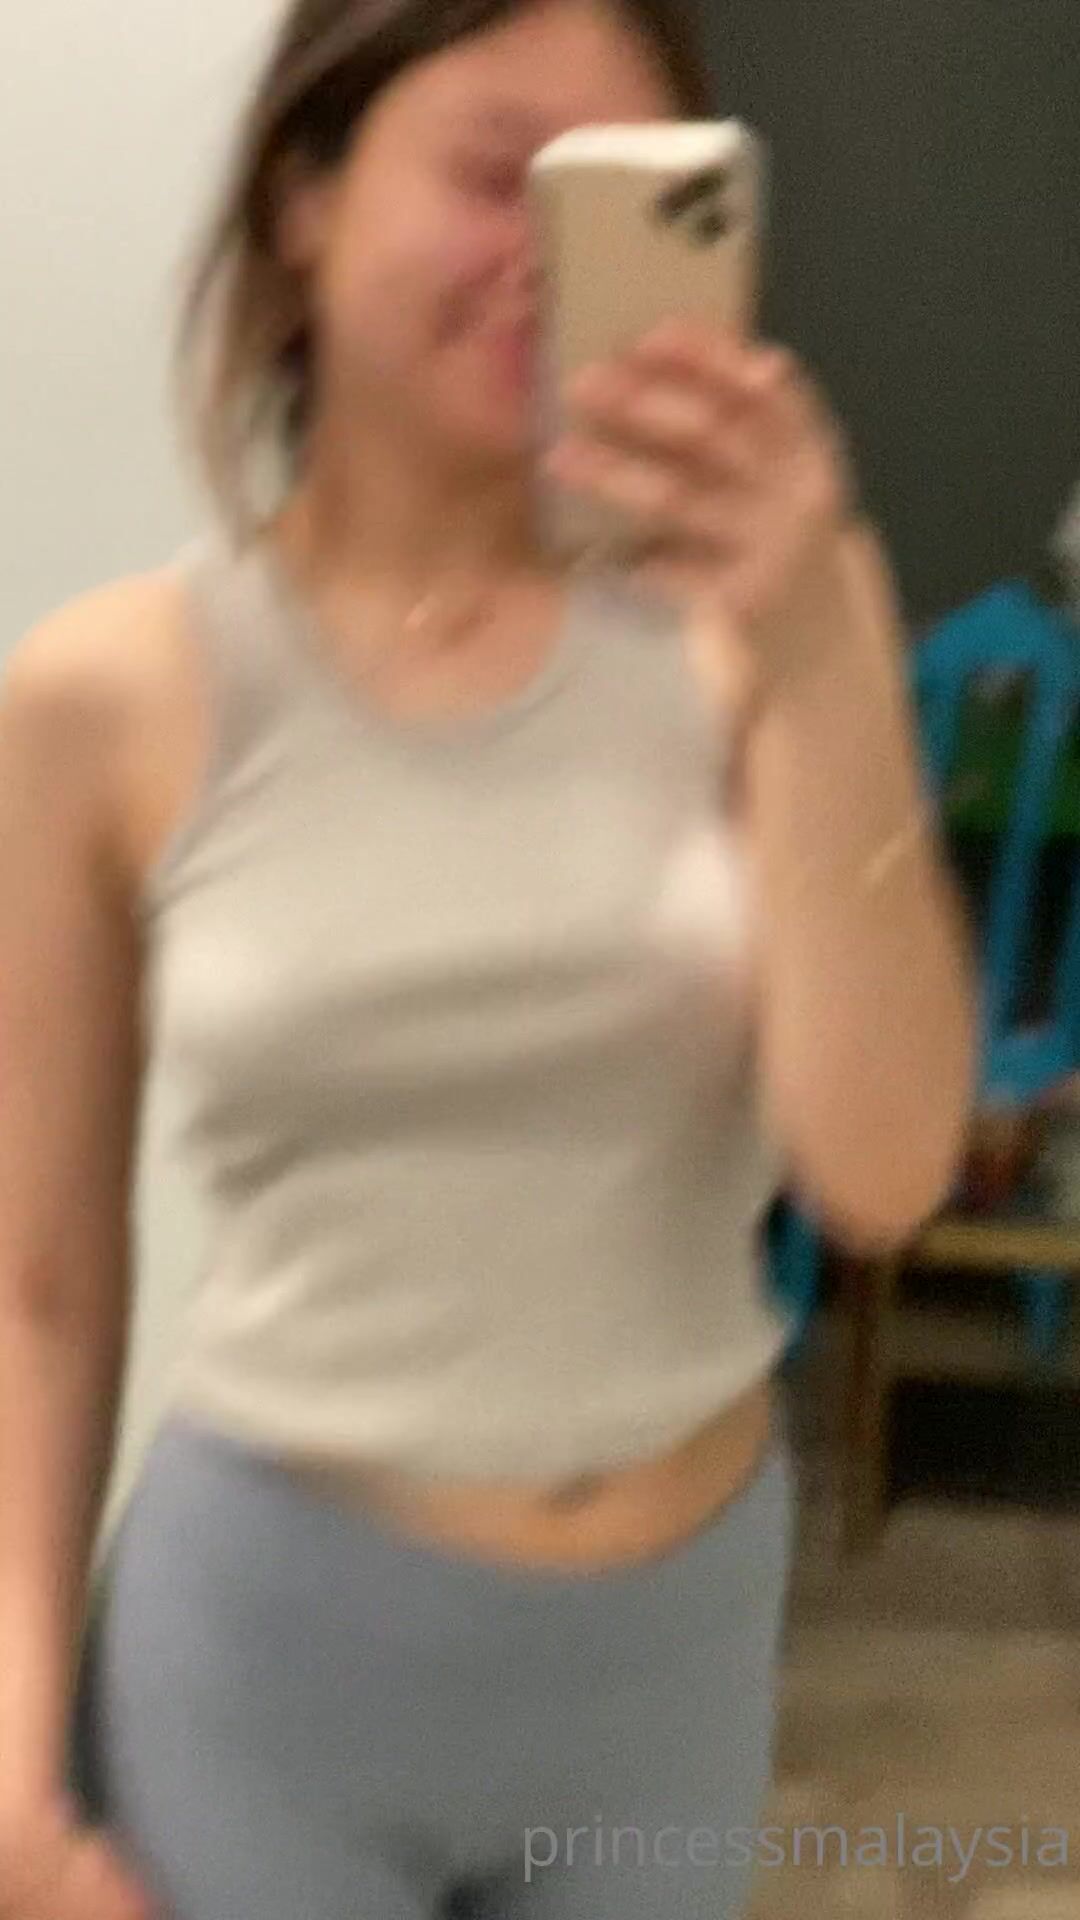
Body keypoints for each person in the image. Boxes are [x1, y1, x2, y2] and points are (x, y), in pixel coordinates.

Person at [0, 0, 976, 1914]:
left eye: (625, 193)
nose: (547, 252)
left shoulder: (771, 618)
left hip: (669, 1657)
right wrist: (9, 1761)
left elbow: (882, 1172)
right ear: (302, 194)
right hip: (269, 1655)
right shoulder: (104, 698)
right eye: (491, 174)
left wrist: (815, 638)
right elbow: (35, 1288)